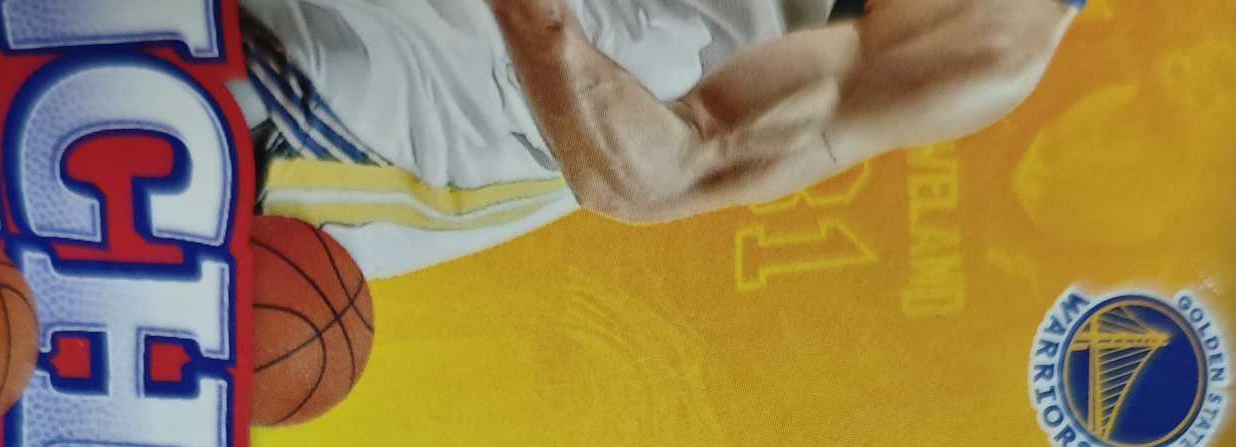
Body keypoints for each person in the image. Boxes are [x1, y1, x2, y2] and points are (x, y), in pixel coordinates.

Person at [234, 0, 1083, 276]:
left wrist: (536, 22)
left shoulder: (989, 32)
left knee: (242, 87)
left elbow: (668, 169)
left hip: (496, 85)